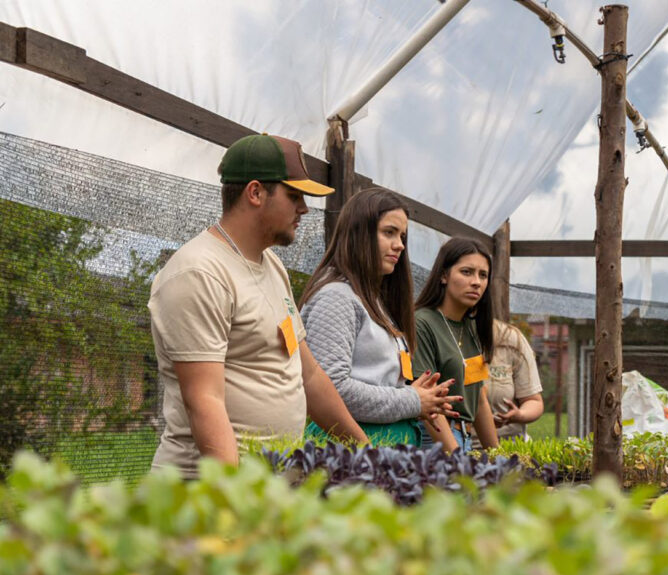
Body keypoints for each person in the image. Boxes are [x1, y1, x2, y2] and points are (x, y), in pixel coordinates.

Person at [148, 133, 367, 478]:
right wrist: (237, 503)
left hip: (267, 492)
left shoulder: (272, 266)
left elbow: (308, 374)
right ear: (255, 192)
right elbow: (205, 400)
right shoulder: (199, 272)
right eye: (294, 196)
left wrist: (367, 453)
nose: (304, 209)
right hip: (206, 494)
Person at [299, 188, 459, 446]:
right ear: (358, 232)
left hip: (383, 451)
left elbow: (374, 380)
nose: (400, 245)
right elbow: (332, 390)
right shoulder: (336, 297)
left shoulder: (374, 300)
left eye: (402, 236)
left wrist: (420, 395)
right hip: (347, 452)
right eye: (389, 232)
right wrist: (413, 400)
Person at [412, 238, 500, 452]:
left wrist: (499, 459)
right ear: (444, 275)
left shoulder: (470, 327)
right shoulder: (422, 323)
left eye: (483, 275)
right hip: (433, 439)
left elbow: (479, 400)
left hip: (464, 438)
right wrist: (455, 457)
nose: (476, 282)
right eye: (467, 272)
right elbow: (427, 400)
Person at [482, 319, 544, 443]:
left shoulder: (510, 338)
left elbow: (533, 400)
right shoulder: (440, 335)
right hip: (456, 447)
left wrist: (519, 415)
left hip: (508, 444)